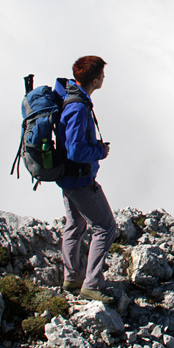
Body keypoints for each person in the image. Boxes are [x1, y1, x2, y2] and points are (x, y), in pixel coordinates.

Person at [54, 55, 118, 304]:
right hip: (80, 180)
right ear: (95, 79)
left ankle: (72, 278)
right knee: (105, 228)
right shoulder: (78, 107)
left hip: (67, 178)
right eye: (102, 74)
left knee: (75, 225)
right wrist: (100, 152)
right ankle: (91, 284)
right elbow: (76, 151)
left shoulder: (71, 97)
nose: (104, 78)